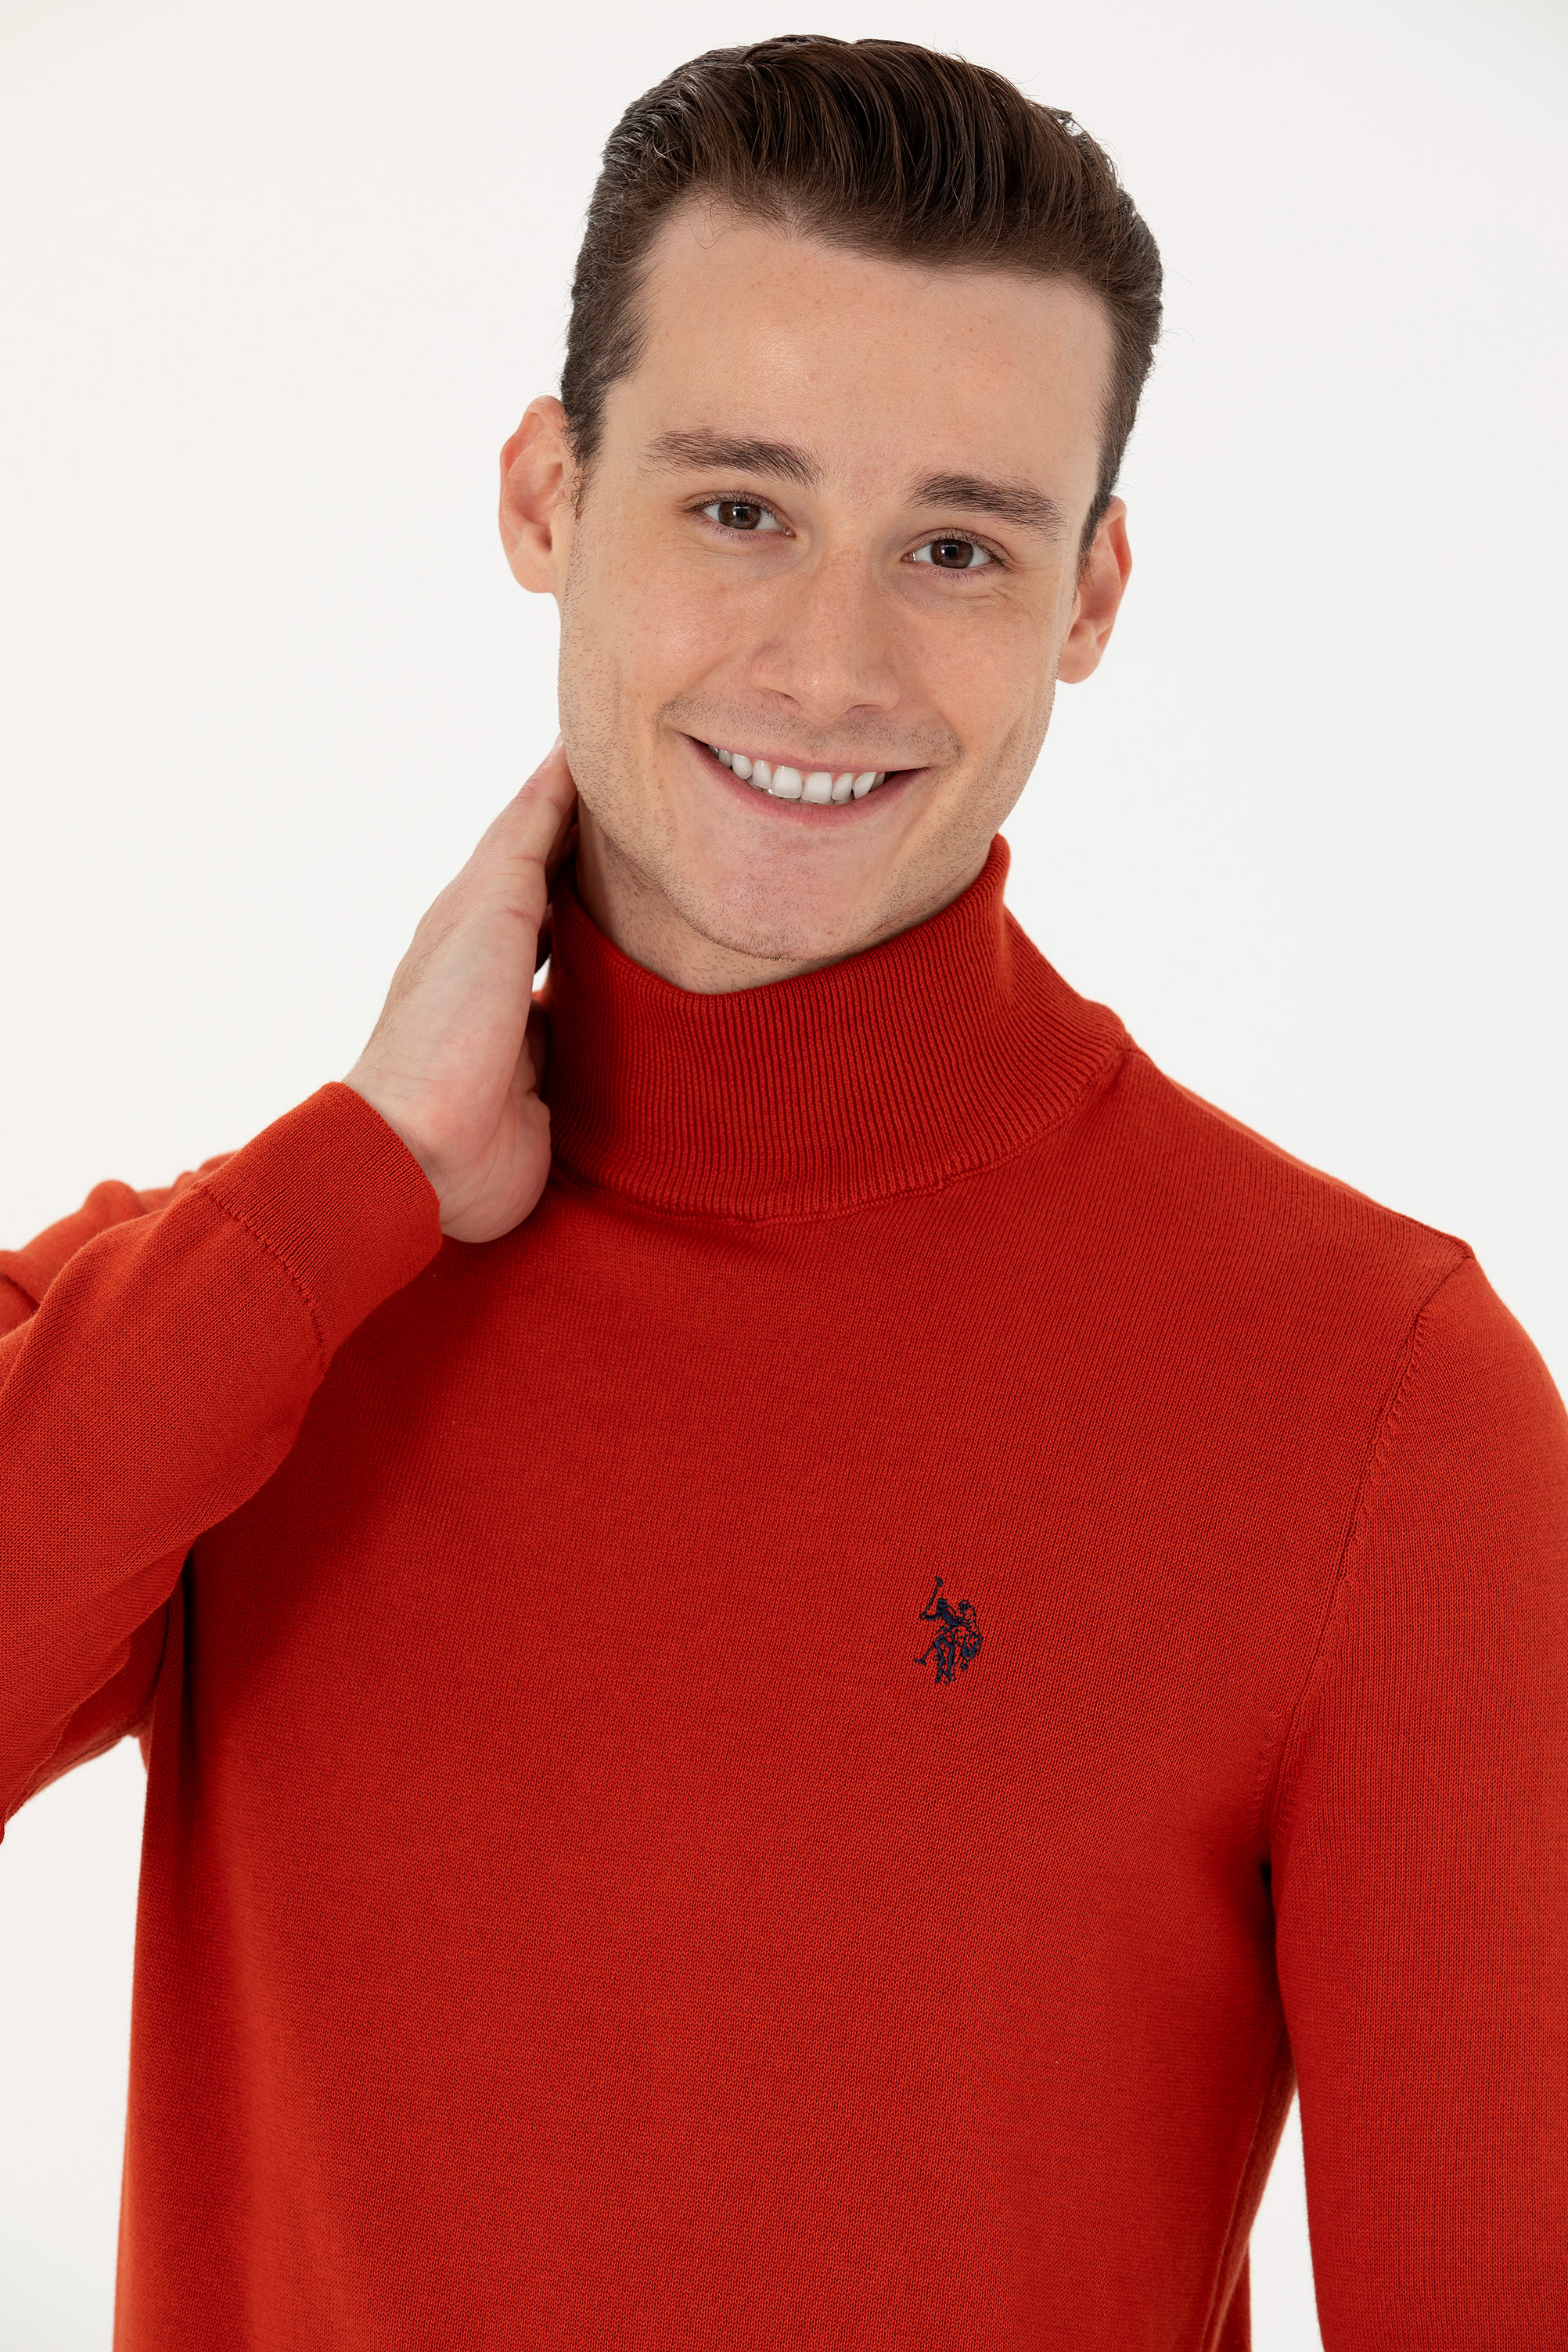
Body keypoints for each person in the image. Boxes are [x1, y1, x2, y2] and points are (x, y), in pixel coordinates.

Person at [2, 31, 1563, 2348]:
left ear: (1090, 598)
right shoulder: (265, 1304)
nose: (830, 667)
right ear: (548, 498)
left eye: (956, 546)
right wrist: (352, 1191)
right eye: (738, 506)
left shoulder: (1378, 1404)